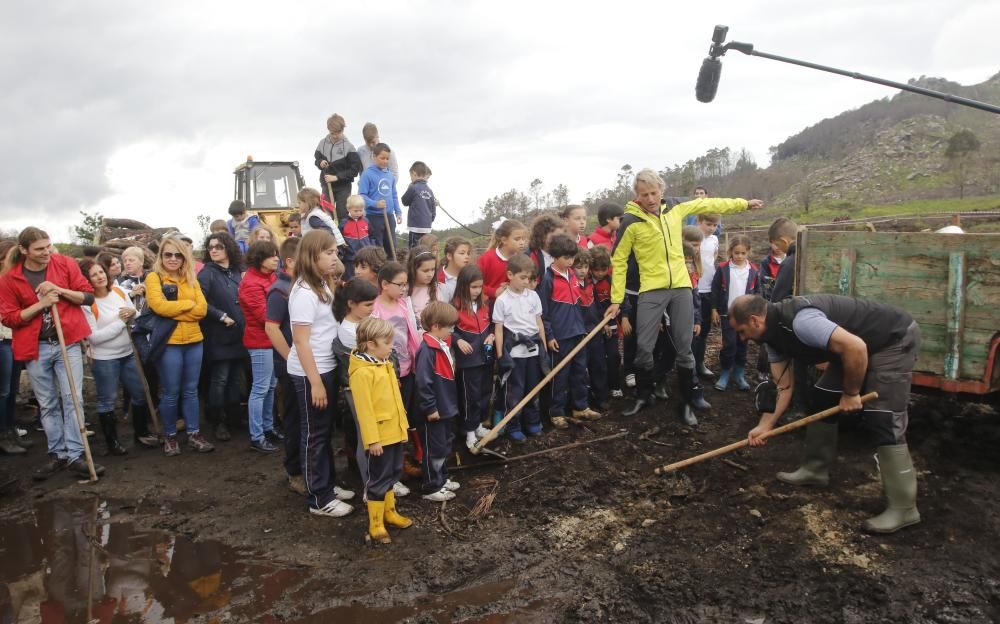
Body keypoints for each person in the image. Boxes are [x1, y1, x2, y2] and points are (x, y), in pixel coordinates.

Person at [732, 293, 922, 534]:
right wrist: (765, 425)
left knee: (883, 417)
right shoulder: (772, 338)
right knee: (823, 398)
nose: (743, 339)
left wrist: (851, 393)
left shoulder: (802, 322)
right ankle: (814, 470)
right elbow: (784, 386)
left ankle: (905, 508)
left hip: (891, 339)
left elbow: (856, 347)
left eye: (741, 331)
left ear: (755, 320)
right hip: (854, 347)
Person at [605, 169, 762, 425]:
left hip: (680, 288)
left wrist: (743, 203)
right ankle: (644, 395)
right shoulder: (630, 222)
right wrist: (616, 299)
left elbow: (708, 203)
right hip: (650, 289)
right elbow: (620, 260)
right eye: (645, 194)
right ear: (637, 195)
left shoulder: (675, 209)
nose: (651, 198)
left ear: (662, 191)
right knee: (644, 347)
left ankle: (687, 402)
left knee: (684, 346)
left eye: (654, 193)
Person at [0, 228, 105, 479]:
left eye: (48, 246)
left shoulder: (65, 264)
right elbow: (10, 318)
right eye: (39, 249)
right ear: (24, 250)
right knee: (47, 403)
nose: (46, 252)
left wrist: (59, 290)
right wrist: (41, 304)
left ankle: (76, 455)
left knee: (73, 398)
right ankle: (57, 454)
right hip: (36, 347)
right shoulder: (9, 278)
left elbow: (87, 297)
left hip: (67, 341)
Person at [287, 230, 355, 518]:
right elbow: (301, 341)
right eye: (328, 253)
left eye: (335, 252)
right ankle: (319, 498)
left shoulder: (322, 286)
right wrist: (314, 382)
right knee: (313, 433)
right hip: (309, 372)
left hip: (325, 366)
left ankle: (326, 483)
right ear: (312, 256)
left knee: (324, 431)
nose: (334, 257)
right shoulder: (303, 293)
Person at [145, 234, 214, 456]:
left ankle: (194, 433)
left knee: (191, 390)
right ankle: (170, 435)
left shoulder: (191, 279)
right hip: (170, 344)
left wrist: (176, 309)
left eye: (177, 255)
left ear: (184, 258)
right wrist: (187, 305)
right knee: (171, 392)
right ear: (161, 256)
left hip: (194, 341)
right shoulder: (154, 278)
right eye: (168, 255)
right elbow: (158, 306)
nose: (173, 259)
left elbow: (202, 310)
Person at [349, 316, 411, 544]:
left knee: (394, 473)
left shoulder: (383, 363)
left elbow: (394, 400)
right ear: (371, 344)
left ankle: (390, 512)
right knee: (378, 479)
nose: (391, 346)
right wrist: (372, 440)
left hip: (393, 432)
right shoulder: (362, 373)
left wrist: (402, 427)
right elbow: (364, 411)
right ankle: (375, 524)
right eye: (387, 343)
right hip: (380, 438)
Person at [80, 258, 148, 456]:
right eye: (93, 275)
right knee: (107, 399)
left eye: (101, 272)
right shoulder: (87, 304)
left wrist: (132, 312)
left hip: (128, 353)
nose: (100, 277)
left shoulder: (118, 291)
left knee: (139, 392)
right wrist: (121, 322)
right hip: (103, 359)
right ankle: (113, 442)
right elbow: (94, 338)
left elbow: (134, 312)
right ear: (86, 279)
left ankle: (142, 432)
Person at [539, 235, 601, 429]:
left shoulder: (573, 276)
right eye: (566, 258)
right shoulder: (548, 280)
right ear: (555, 257)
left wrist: (584, 328)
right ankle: (556, 411)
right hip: (560, 337)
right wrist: (549, 336)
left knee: (580, 371)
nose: (571, 262)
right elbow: (543, 313)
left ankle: (580, 406)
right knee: (560, 374)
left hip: (578, 332)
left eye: (572, 258)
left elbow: (579, 305)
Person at [198, 232, 246, 442]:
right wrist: (221, 316)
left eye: (218, 246)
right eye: (211, 248)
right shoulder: (207, 273)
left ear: (228, 248)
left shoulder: (236, 272)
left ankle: (234, 418)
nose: (214, 250)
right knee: (219, 380)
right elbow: (201, 302)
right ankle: (218, 422)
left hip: (238, 335)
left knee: (235, 379)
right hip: (218, 335)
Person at [492, 253, 546, 441]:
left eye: (529, 278)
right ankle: (513, 426)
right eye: (522, 278)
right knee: (514, 391)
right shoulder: (502, 301)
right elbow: (498, 329)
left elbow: (539, 323)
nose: (526, 282)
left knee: (533, 388)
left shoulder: (533, 296)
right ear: (510, 275)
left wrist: (543, 347)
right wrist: (500, 355)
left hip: (533, 350)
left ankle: (532, 423)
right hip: (514, 353)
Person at [265, 236, 304, 492]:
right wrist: (291, 358)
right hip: (291, 365)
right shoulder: (280, 290)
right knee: (293, 418)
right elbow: (272, 327)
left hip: (303, 363)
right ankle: (295, 472)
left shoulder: (300, 287)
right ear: (290, 261)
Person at [413, 302, 462, 501]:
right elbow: (423, 383)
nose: (451, 331)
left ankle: (442, 478)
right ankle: (431, 486)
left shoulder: (441, 344)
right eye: (448, 327)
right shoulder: (427, 350)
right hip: (434, 411)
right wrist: (430, 407)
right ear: (435, 326)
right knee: (434, 448)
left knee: (444, 445)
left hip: (445, 407)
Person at [239, 240, 282, 453]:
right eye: (272, 255)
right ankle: (257, 435)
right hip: (260, 342)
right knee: (260, 388)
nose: (276, 258)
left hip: (271, 341)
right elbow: (264, 315)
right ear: (260, 259)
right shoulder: (251, 283)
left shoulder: (270, 277)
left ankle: (268, 427)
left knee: (270, 385)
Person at [451, 266, 495, 449]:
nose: (478, 291)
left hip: (486, 357)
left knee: (484, 392)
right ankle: (469, 433)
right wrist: (457, 340)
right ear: (463, 286)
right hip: (467, 361)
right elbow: (447, 330)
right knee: (470, 397)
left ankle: (477, 426)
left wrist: (491, 335)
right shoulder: (455, 306)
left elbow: (493, 324)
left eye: (480, 287)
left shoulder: (485, 304)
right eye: (473, 287)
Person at [711, 235, 759, 391]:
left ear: (748, 252)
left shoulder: (753, 270)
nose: (739, 256)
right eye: (736, 253)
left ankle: (739, 373)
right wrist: (714, 309)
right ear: (730, 251)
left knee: (743, 344)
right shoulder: (723, 268)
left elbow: (757, 292)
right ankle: (725, 372)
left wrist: (756, 311)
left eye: (743, 253)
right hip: (727, 314)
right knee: (729, 344)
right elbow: (715, 289)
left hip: (745, 316)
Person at [372, 262, 421, 408]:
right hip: (386, 369)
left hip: (407, 367)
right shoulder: (375, 308)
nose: (404, 288)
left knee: (405, 407)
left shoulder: (405, 305)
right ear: (385, 284)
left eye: (405, 284)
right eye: (400, 285)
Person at [0, 240, 32, 455]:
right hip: (2, 338)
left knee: (11, 390)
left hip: (15, 338)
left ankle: (10, 429)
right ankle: (3, 434)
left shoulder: (16, 281)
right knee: (2, 390)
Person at [314, 113, 364, 223]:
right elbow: (317, 159)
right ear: (328, 130)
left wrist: (336, 177)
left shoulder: (349, 147)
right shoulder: (322, 144)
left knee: (342, 214)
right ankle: (329, 239)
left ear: (343, 130)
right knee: (326, 214)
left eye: (338, 133)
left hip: (343, 186)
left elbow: (354, 170)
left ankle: (343, 239)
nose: (335, 136)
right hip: (326, 185)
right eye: (332, 133)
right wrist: (320, 162)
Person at [589, 245, 622, 400]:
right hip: (595, 326)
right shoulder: (588, 283)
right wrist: (602, 323)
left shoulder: (611, 280)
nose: (600, 273)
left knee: (613, 355)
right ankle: (599, 389)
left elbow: (620, 299)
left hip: (612, 325)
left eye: (604, 269)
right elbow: (592, 306)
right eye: (596, 270)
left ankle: (615, 385)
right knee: (598, 358)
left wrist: (624, 315)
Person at [359, 143, 402, 257]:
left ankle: (392, 270)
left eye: (387, 158)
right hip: (374, 217)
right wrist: (375, 204)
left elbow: (394, 195)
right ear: (374, 157)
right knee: (377, 248)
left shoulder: (390, 175)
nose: (385, 161)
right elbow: (362, 196)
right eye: (382, 158)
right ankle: (377, 271)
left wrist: (398, 212)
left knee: (391, 246)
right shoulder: (367, 174)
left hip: (389, 216)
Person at [693, 212, 722, 379]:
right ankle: (689, 365)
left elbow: (713, 259)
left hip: (709, 289)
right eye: (708, 224)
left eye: (714, 225)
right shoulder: (692, 237)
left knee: (704, 329)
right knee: (693, 329)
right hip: (694, 288)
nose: (711, 228)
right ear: (699, 221)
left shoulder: (715, 240)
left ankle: (700, 363)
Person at [477, 219, 529, 302]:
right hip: (490, 306)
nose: (522, 242)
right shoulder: (487, 259)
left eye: (523, 239)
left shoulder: (522, 260)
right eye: (517, 239)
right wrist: (494, 292)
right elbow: (474, 284)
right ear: (504, 240)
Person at [402, 161, 437, 249]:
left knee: (414, 249)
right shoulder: (430, 191)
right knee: (425, 248)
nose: (411, 179)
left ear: (414, 173)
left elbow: (404, 201)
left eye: (411, 176)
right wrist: (429, 220)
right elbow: (433, 210)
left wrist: (410, 186)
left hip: (415, 227)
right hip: (427, 227)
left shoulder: (413, 187)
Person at [340, 195, 375, 279]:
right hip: (350, 258)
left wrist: (372, 248)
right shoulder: (343, 223)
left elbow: (372, 236)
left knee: (365, 278)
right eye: (355, 211)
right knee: (351, 278)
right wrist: (342, 252)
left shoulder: (366, 221)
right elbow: (339, 239)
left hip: (365, 257)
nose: (358, 213)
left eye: (361, 210)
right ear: (348, 209)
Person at [407, 247, 438, 333]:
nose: (430, 274)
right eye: (425, 271)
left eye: (432, 270)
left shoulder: (437, 289)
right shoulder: (404, 290)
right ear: (413, 269)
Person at [769, 217, 799, 303]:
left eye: (777, 244)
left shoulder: (788, 264)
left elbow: (778, 299)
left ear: (784, 241)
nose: (778, 248)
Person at [526, 213, 565, 279]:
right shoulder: (529, 257)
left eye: (562, 236)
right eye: (555, 237)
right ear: (542, 236)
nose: (559, 240)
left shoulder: (564, 255)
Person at [436, 236, 472, 305]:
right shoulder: (437, 279)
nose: (467, 256)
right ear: (449, 256)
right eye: (462, 253)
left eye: (468, 253)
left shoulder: (470, 276)